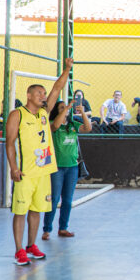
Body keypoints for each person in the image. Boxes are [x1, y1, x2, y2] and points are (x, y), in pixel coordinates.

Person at [4, 59, 72, 266]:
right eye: (39, 93)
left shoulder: (44, 113)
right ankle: (18, 251)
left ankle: (31, 245)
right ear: (29, 95)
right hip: (26, 173)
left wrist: (67, 69)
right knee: (20, 211)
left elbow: (57, 88)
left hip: (44, 171)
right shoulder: (17, 114)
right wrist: (13, 167)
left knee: (36, 210)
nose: (43, 96)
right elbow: (9, 143)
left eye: (44, 93)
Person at [43, 98, 93, 240]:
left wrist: (83, 113)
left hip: (72, 167)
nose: (66, 109)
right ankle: (47, 229)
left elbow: (88, 128)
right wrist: (66, 109)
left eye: (67, 107)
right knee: (54, 198)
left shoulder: (72, 125)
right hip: (57, 167)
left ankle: (63, 228)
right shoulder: (53, 124)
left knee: (67, 200)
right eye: (61, 107)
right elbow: (56, 125)